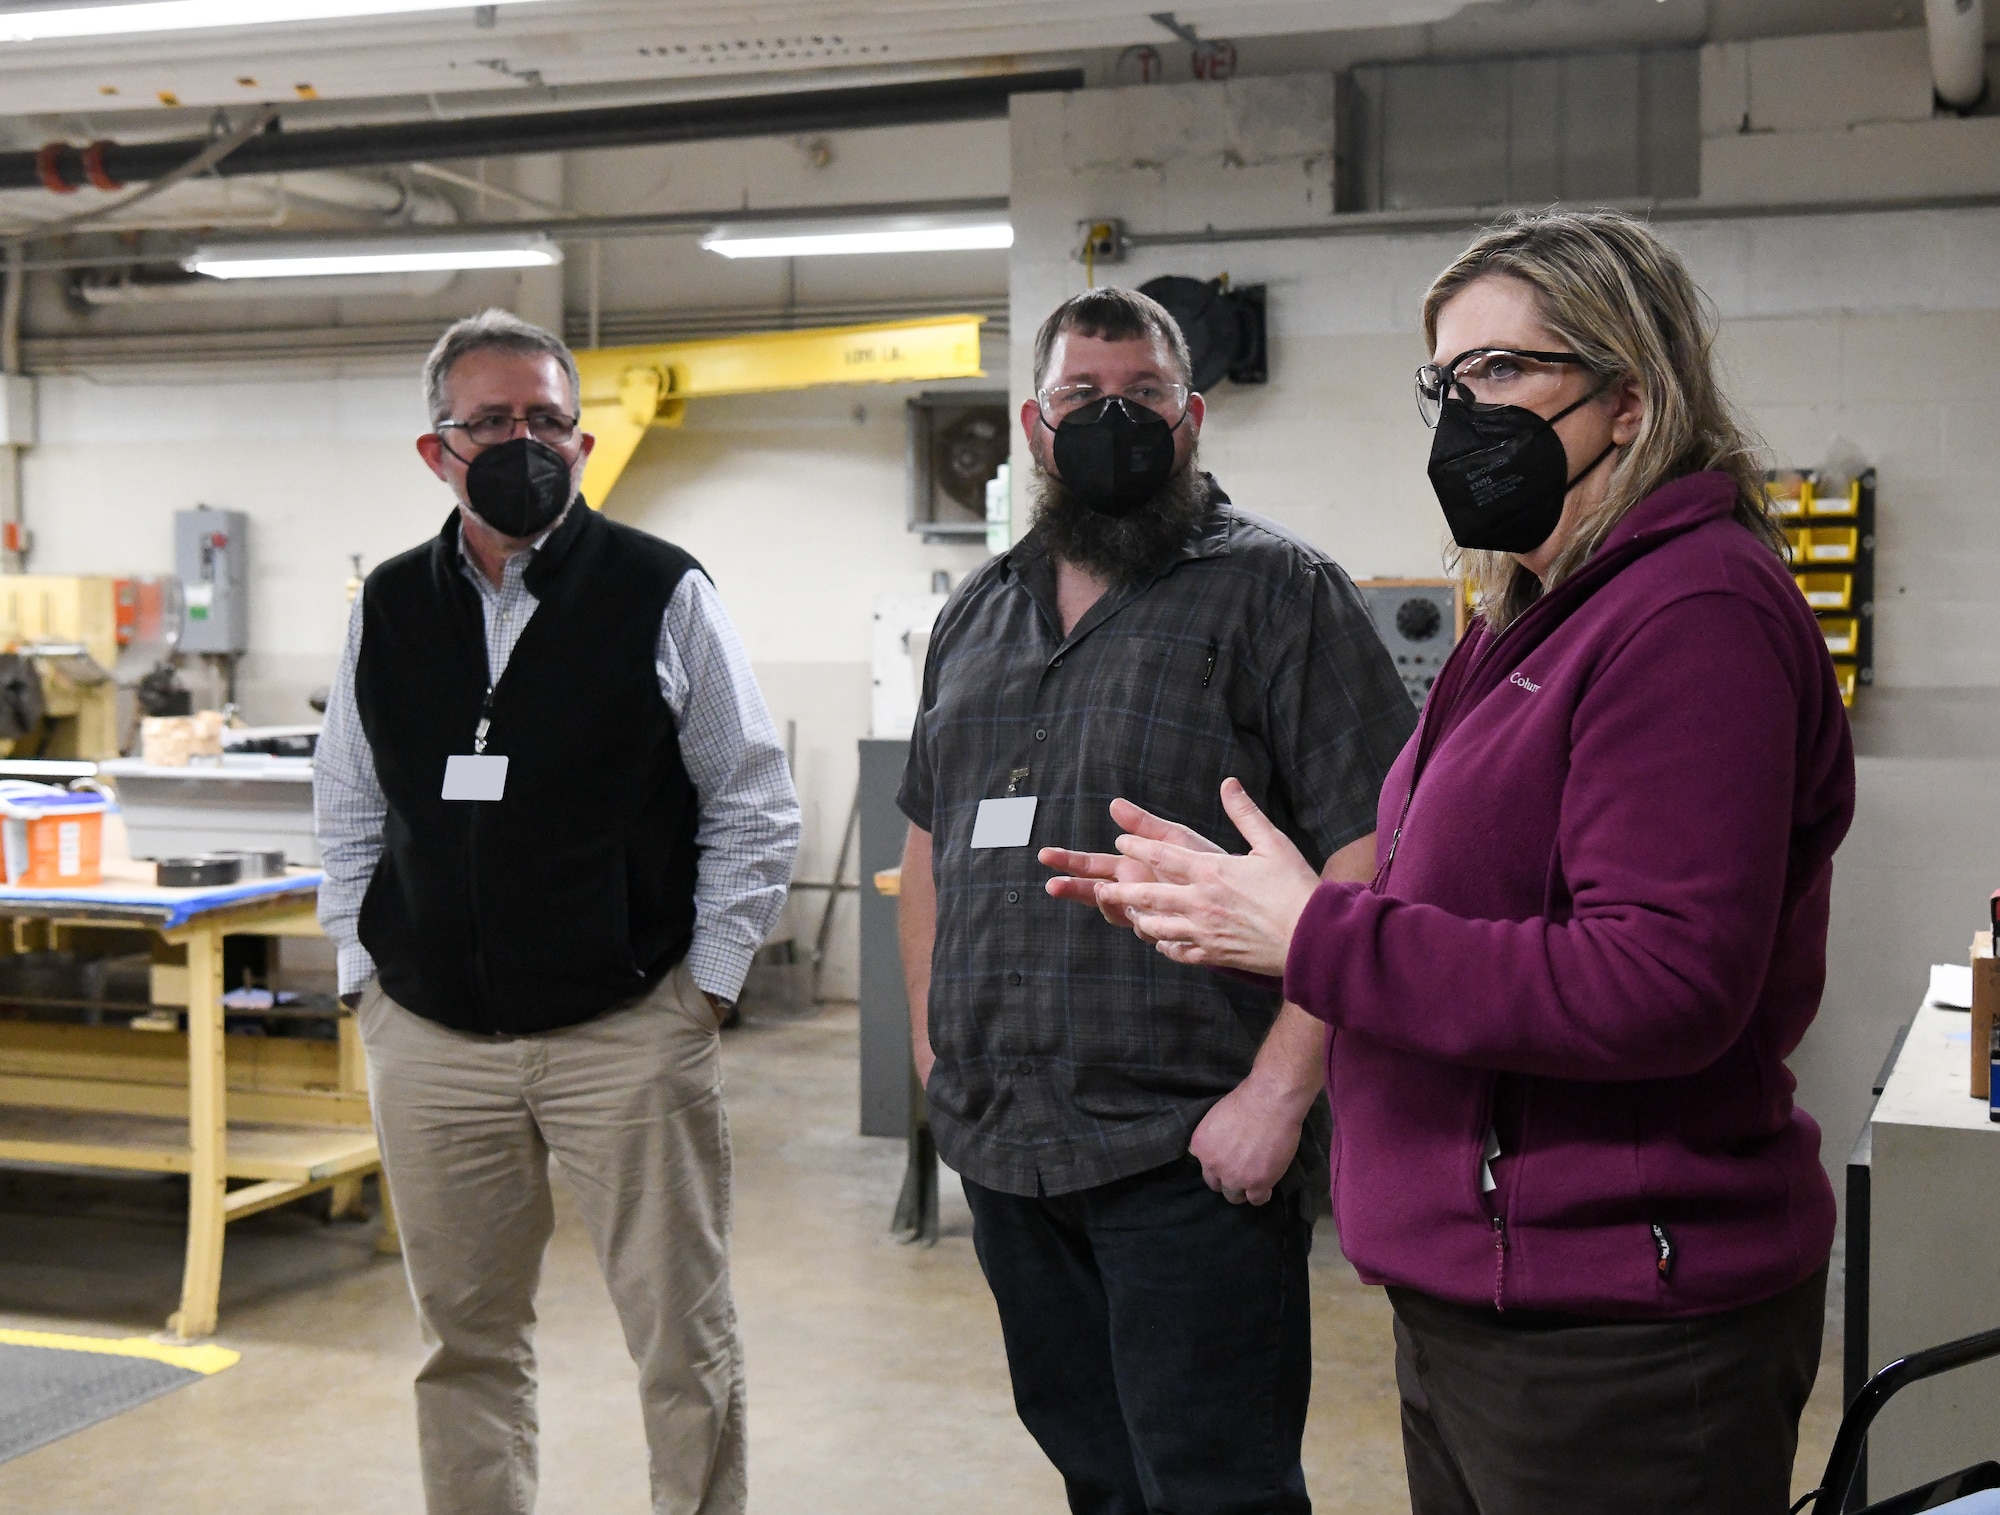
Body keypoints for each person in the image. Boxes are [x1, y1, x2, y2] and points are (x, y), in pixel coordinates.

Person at [1044, 209, 1854, 1515]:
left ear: (1631, 397)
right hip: (1481, 1291)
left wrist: (1313, 933)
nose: (1462, 411)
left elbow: (1661, 980)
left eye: (1503, 372)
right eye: (1446, 379)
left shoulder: (1694, 610)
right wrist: (1245, 899)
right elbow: (1445, 897)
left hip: (1616, 1323)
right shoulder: (1524, 613)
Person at [897, 286, 1415, 1514]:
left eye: (1142, 398)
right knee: (1096, 1477)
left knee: (1215, 1487)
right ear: (1033, 422)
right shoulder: (976, 611)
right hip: (1008, 1148)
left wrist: (1280, 1092)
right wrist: (929, 1046)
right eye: (1083, 397)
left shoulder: (1279, 592)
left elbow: (1376, 855)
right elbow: (928, 842)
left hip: (1187, 1154)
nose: (1111, 419)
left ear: (1191, 421)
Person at [314, 307, 800, 1515]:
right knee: (463, 1344)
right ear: (438, 450)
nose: (523, 440)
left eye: (546, 420)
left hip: (624, 1031)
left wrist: (707, 984)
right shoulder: (386, 606)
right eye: (491, 421)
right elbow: (347, 800)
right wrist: (358, 976)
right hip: (430, 1037)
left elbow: (750, 793)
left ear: (582, 444)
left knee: (681, 1344)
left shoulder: (661, 591)